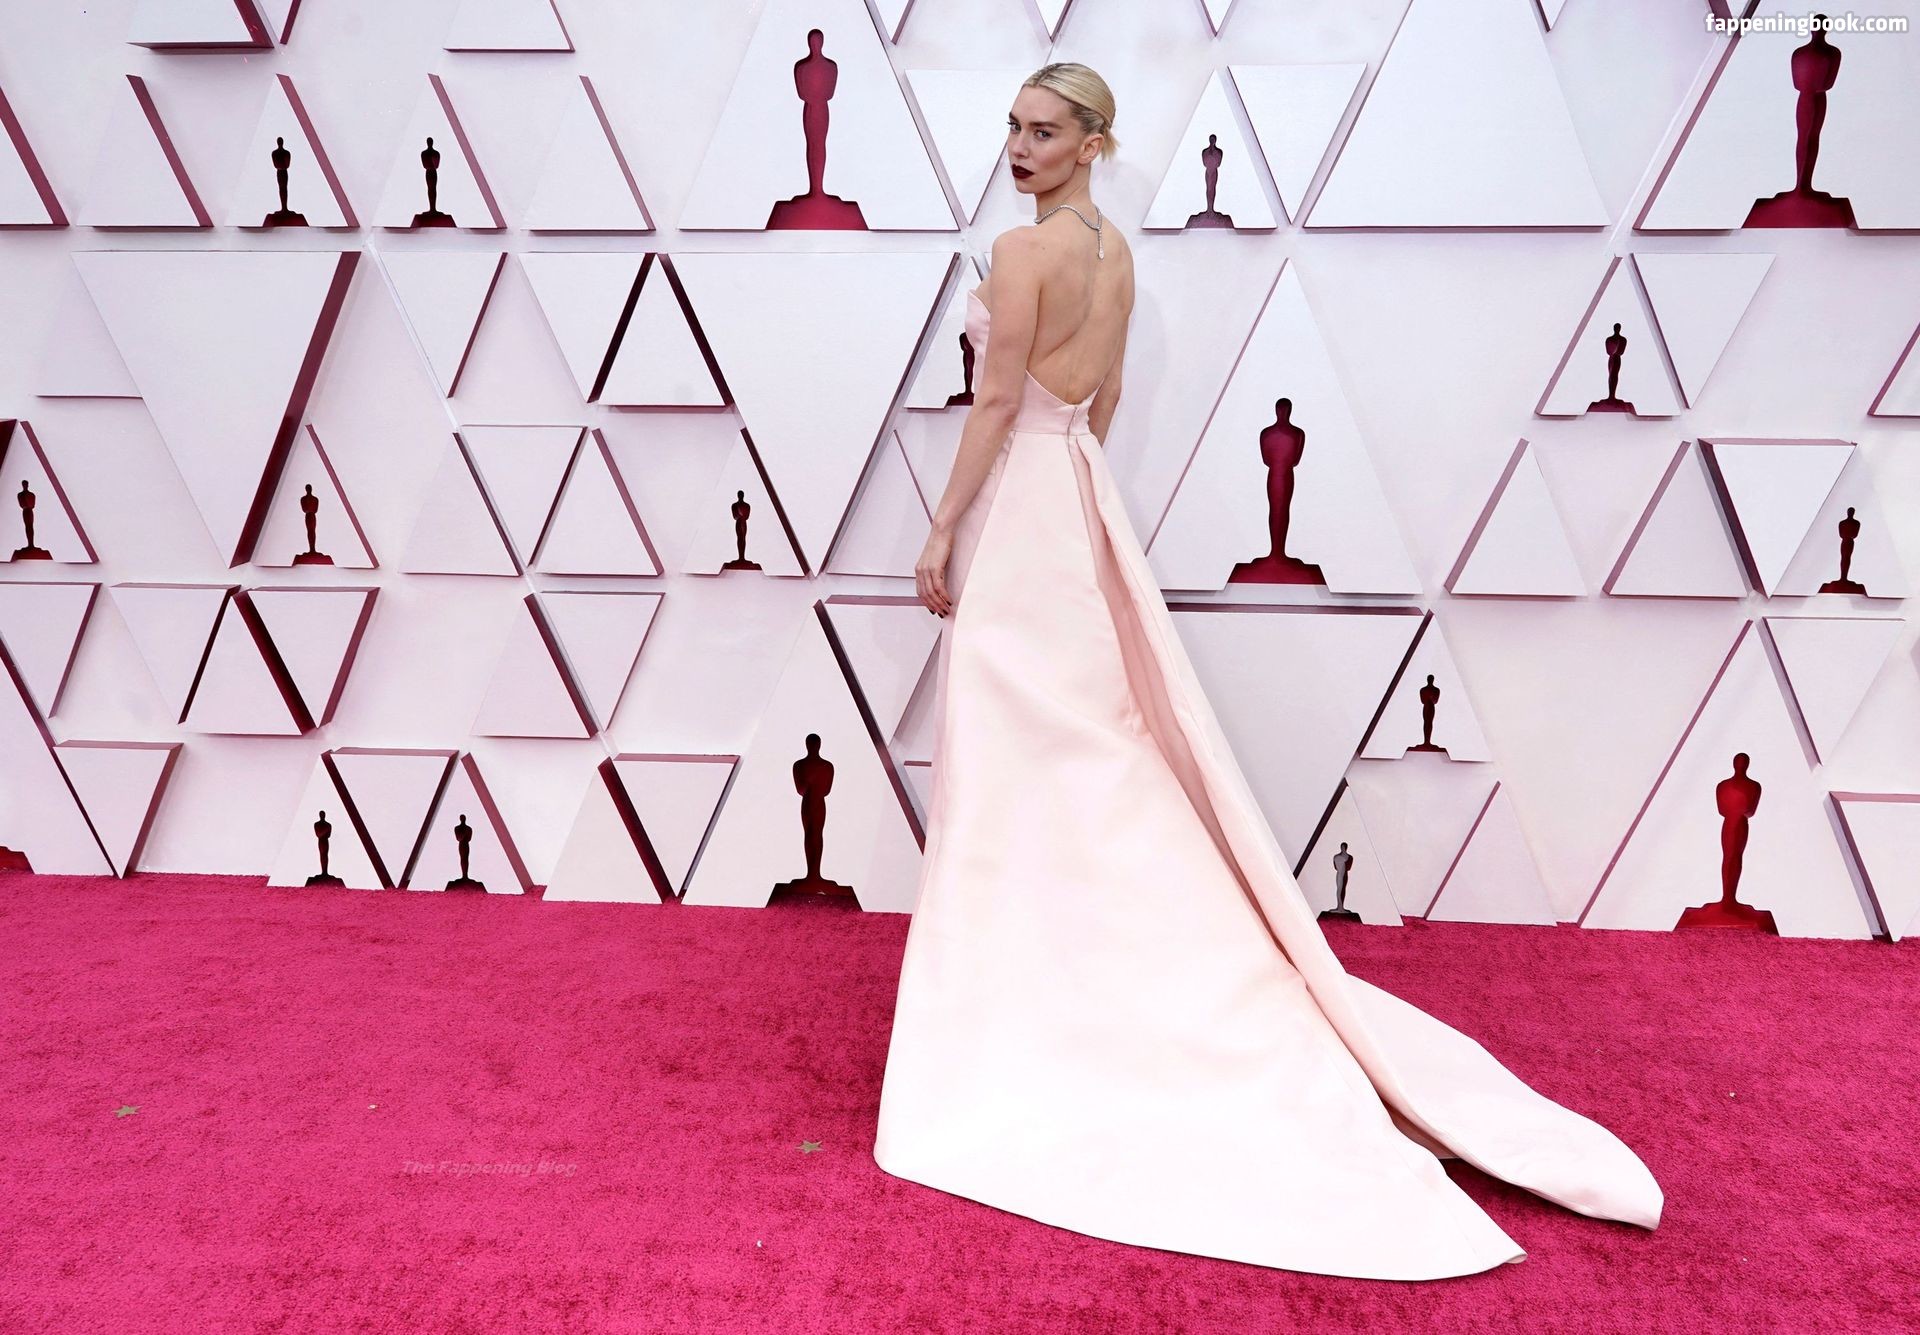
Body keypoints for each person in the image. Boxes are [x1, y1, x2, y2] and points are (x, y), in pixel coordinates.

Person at [872, 62, 1663, 1281]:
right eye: (1013, 129)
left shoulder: (1023, 255)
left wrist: (940, 530)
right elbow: (1103, 401)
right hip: (1072, 495)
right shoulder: (1117, 258)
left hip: (1018, 505)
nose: (1019, 148)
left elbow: (992, 405)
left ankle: (1034, 994)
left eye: (1044, 132)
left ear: (1093, 143)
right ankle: (1091, 971)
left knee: (1027, 751)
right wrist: (1069, 488)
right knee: (1089, 741)